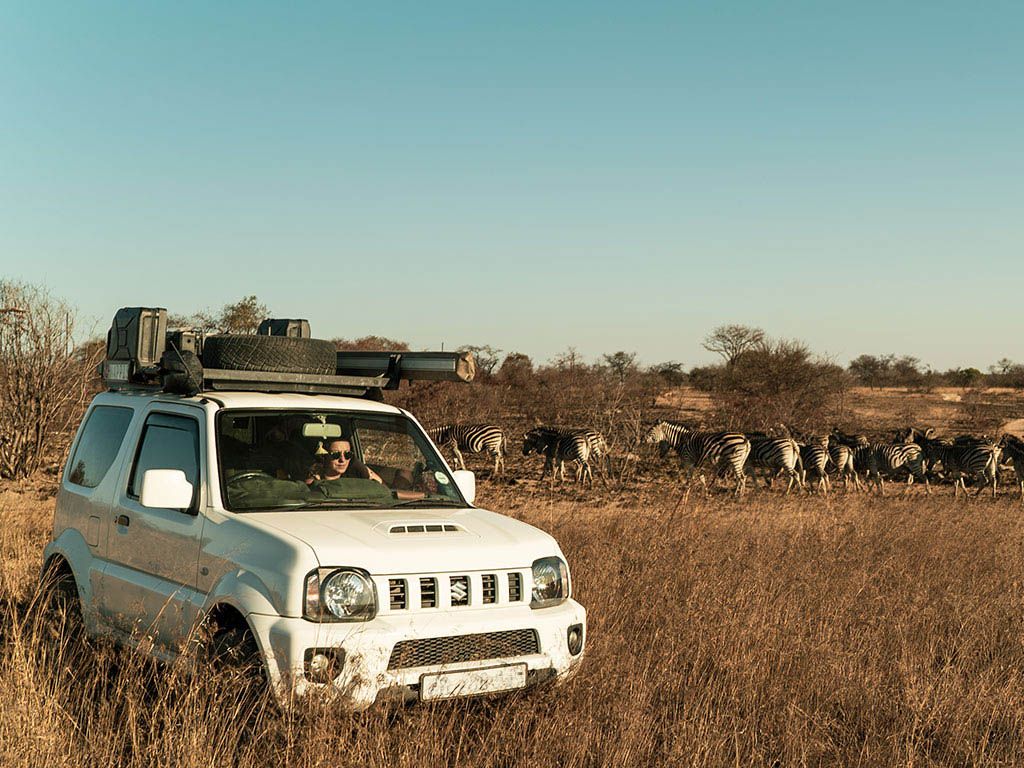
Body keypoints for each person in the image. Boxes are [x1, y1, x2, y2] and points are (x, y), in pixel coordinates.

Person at [308, 438, 384, 484]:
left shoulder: (356, 479)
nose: (342, 460)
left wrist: (361, 468)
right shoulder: (314, 483)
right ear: (324, 456)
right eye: (335, 454)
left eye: (348, 454)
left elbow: (381, 486)